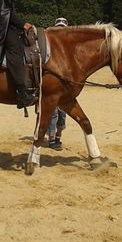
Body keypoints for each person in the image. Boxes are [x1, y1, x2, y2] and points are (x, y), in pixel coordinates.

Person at [47, 17, 69, 149]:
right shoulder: (50, 47)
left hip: (65, 86)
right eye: (58, 28)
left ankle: (58, 137)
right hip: (52, 85)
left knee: (63, 113)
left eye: (62, 28)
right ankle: (51, 139)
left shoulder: (69, 49)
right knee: (53, 113)